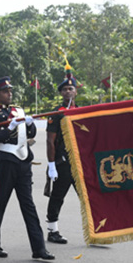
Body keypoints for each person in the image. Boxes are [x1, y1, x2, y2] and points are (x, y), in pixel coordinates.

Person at [0, 76, 54, 260]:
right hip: (6, 162)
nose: (9, 94)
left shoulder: (18, 110)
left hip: (23, 162)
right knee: (0, 204)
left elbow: (29, 134)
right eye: (5, 91)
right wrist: (9, 128)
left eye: (10, 91)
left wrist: (30, 125)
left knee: (28, 205)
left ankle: (39, 248)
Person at [45, 59, 79, 244]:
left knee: (87, 197)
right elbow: (50, 140)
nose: (68, 92)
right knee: (58, 196)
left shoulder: (82, 112)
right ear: (61, 93)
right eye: (65, 89)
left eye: (71, 89)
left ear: (76, 91)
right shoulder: (57, 113)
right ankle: (52, 231)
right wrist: (51, 165)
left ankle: (96, 229)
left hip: (79, 163)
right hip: (63, 162)